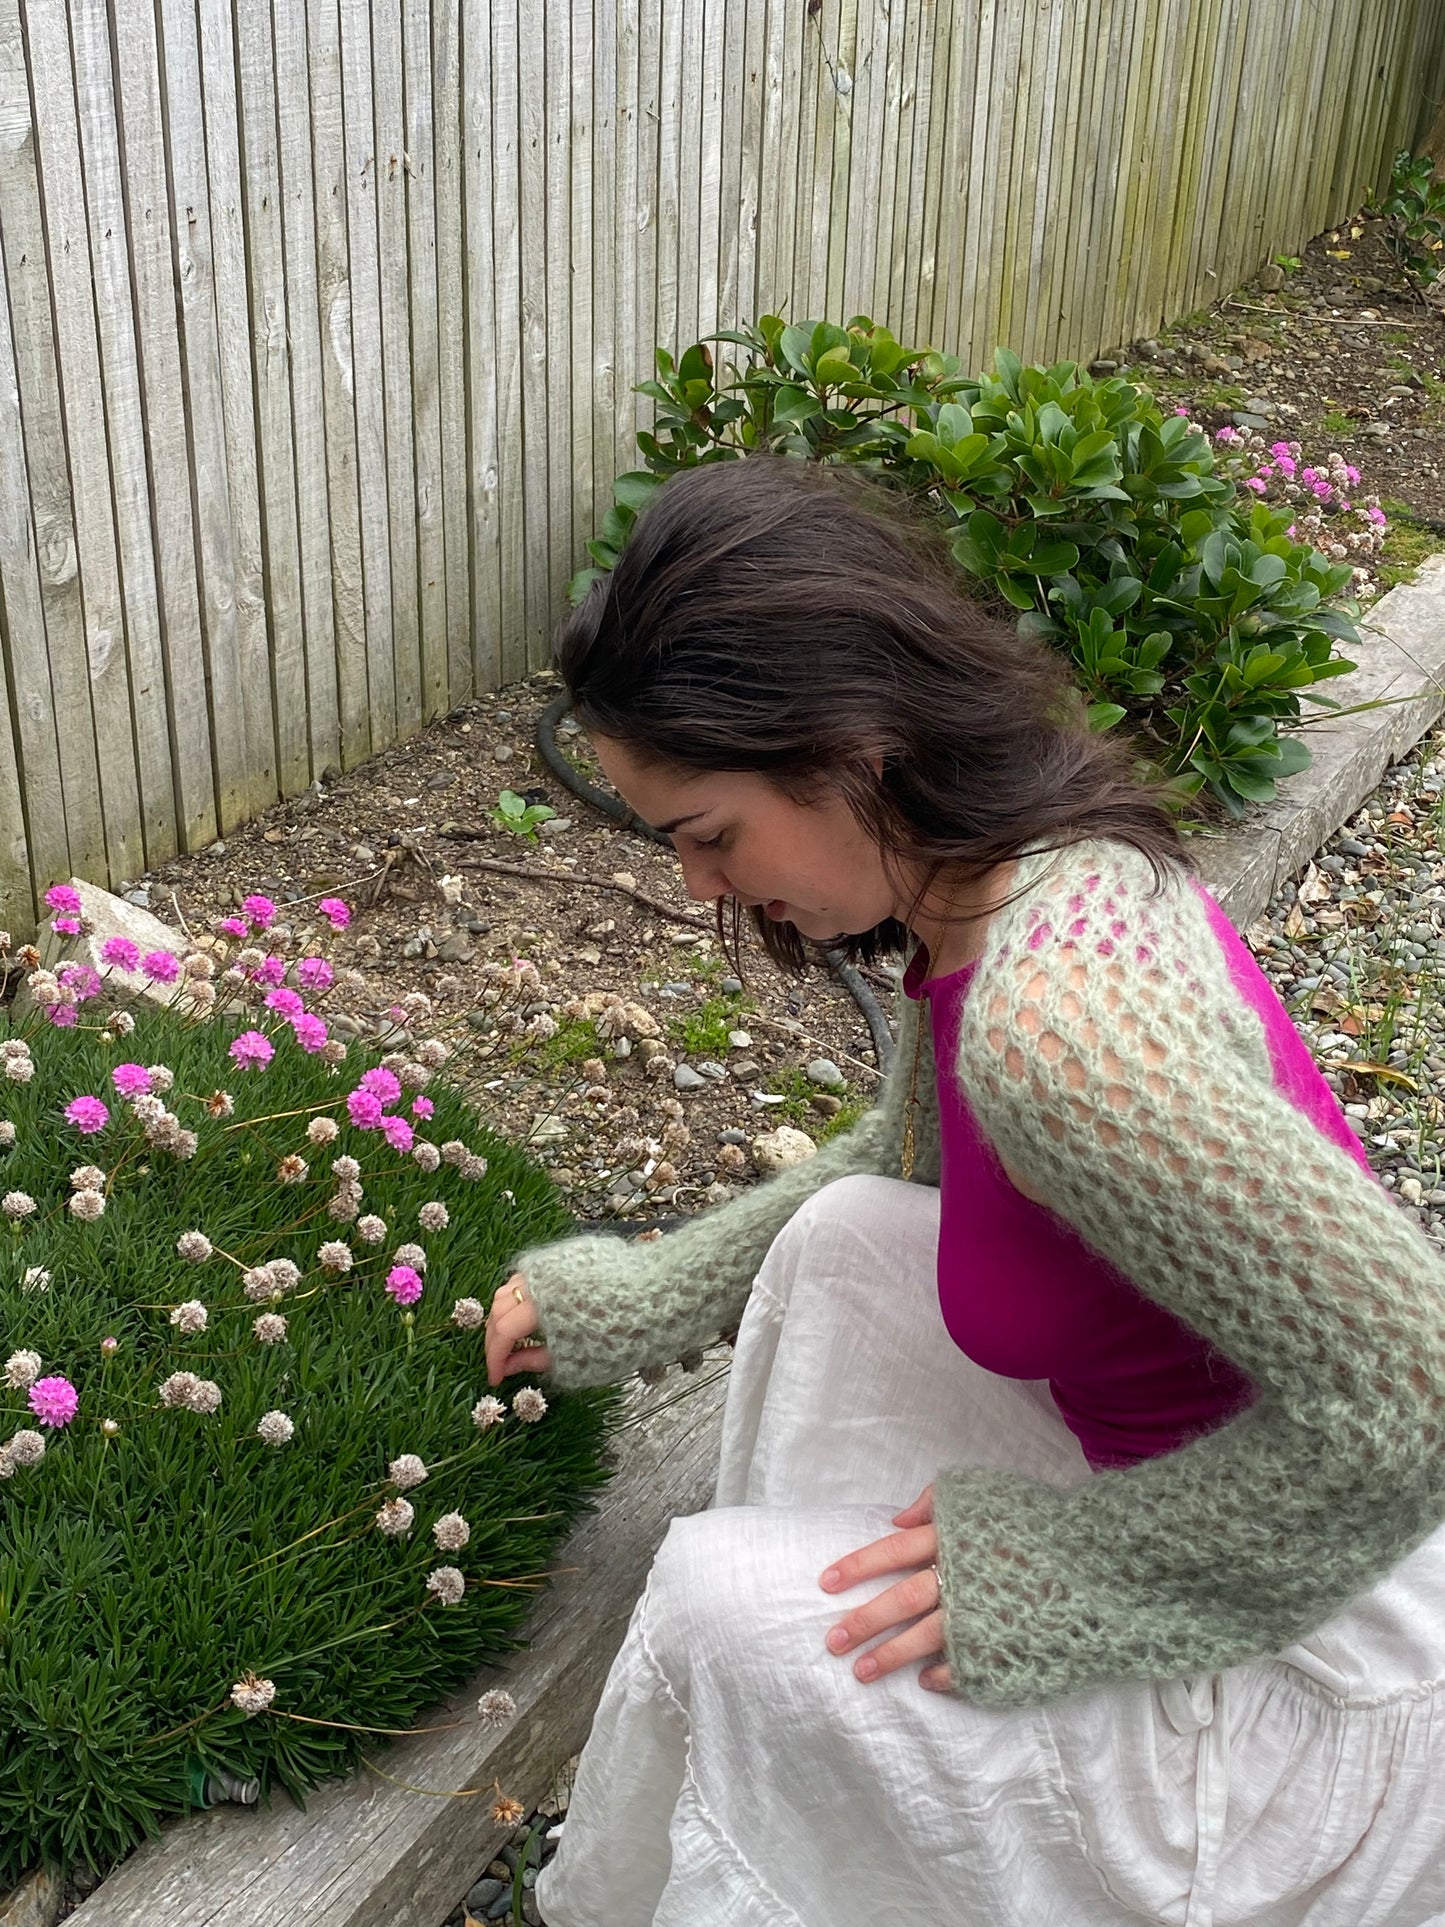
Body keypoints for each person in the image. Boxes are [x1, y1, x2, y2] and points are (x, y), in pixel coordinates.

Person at [482, 451, 1445, 1926]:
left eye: (708, 834)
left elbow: (1419, 1391)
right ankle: (849, 1763)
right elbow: (903, 1165)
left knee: (705, 1605)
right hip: (1215, 1499)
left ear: (849, 748)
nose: (696, 890)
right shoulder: (996, 878)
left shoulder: (1068, 1038)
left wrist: (1077, 1573)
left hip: (1312, 1662)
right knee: (841, 1235)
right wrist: (637, 1297)